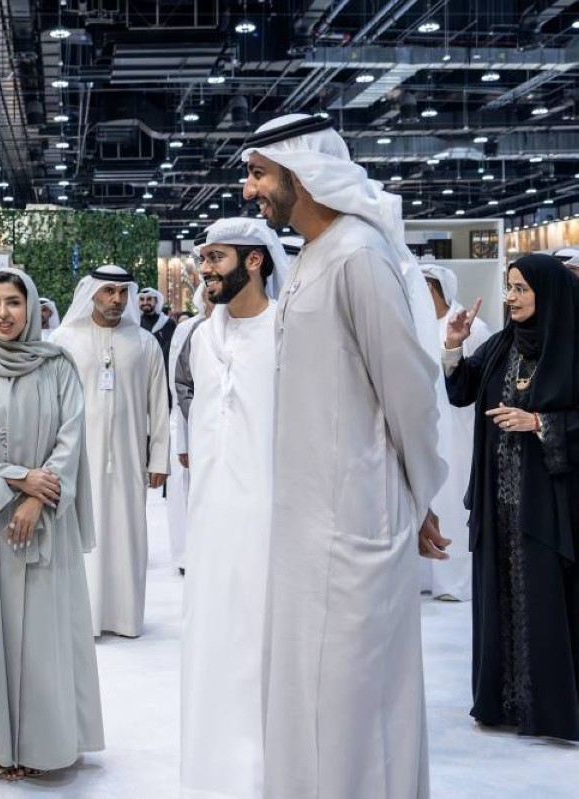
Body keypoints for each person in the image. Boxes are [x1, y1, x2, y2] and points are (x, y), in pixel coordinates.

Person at [241, 114, 448, 798]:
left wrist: (418, 496)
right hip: (306, 525)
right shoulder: (312, 257)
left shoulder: (359, 255)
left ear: (302, 174)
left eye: (259, 173)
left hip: (356, 524)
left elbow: (409, 391)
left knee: (356, 703)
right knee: (306, 692)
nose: (249, 189)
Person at [0, 268, 104, 781]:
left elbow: (70, 439)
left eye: (13, 302)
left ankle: (41, 743)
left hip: (44, 518)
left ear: (30, 307)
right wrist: (18, 480)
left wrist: (35, 499)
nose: (3, 313)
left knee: (43, 635)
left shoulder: (57, 367)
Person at [442, 253, 579, 741]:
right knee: (500, 595)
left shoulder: (571, 346)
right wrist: (453, 347)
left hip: (549, 506)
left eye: (522, 288)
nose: (512, 297)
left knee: (546, 601)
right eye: (509, 287)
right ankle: (504, 703)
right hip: (498, 501)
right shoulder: (502, 345)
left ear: (548, 292)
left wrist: (539, 421)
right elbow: (462, 391)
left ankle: (550, 710)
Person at [180, 218, 288, 799]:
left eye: (216, 257)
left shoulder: (287, 329)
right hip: (210, 517)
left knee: (261, 641)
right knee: (212, 638)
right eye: (202, 258)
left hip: (270, 517)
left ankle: (264, 769)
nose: (205, 268)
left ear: (254, 260)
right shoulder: (201, 337)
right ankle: (214, 766)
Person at [52, 265, 170, 637]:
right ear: (92, 294)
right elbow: (50, 402)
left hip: (129, 458)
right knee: (80, 536)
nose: (116, 299)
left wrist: (160, 458)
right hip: (77, 458)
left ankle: (124, 616)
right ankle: (81, 618)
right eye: (108, 292)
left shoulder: (145, 343)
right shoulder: (64, 339)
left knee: (126, 534)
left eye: (122, 292)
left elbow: (159, 405)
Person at [420, 263, 494, 602]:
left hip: (461, 430)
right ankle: (428, 576)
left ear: (432, 289)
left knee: (454, 503)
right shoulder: (418, 324)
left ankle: (457, 581)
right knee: (430, 500)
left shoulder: (472, 327)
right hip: (429, 428)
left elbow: (482, 381)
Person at [165, 283, 208, 575]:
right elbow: (178, 383)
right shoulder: (187, 329)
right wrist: (182, 441)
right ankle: (185, 557)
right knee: (184, 494)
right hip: (185, 423)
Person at [139, 287, 178, 362]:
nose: (145, 302)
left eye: (149, 299)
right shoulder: (135, 323)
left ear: (156, 301)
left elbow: (174, 348)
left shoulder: (168, 322)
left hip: (164, 366)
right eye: (142, 299)